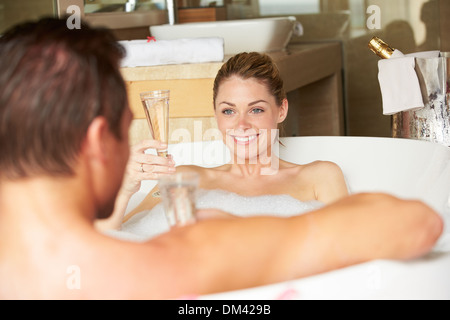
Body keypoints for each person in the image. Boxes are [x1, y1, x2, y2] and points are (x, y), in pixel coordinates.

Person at [0, 18, 443, 299]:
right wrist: (232, 235)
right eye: (123, 129)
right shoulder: (187, 252)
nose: (243, 124)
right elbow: (413, 223)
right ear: (99, 142)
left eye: (256, 109)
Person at [107, 51, 349, 230]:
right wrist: (125, 190)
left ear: (281, 110)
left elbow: (350, 250)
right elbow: (114, 242)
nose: (241, 124)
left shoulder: (320, 177)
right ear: (215, 115)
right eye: (228, 111)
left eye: (256, 110)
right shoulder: (186, 179)